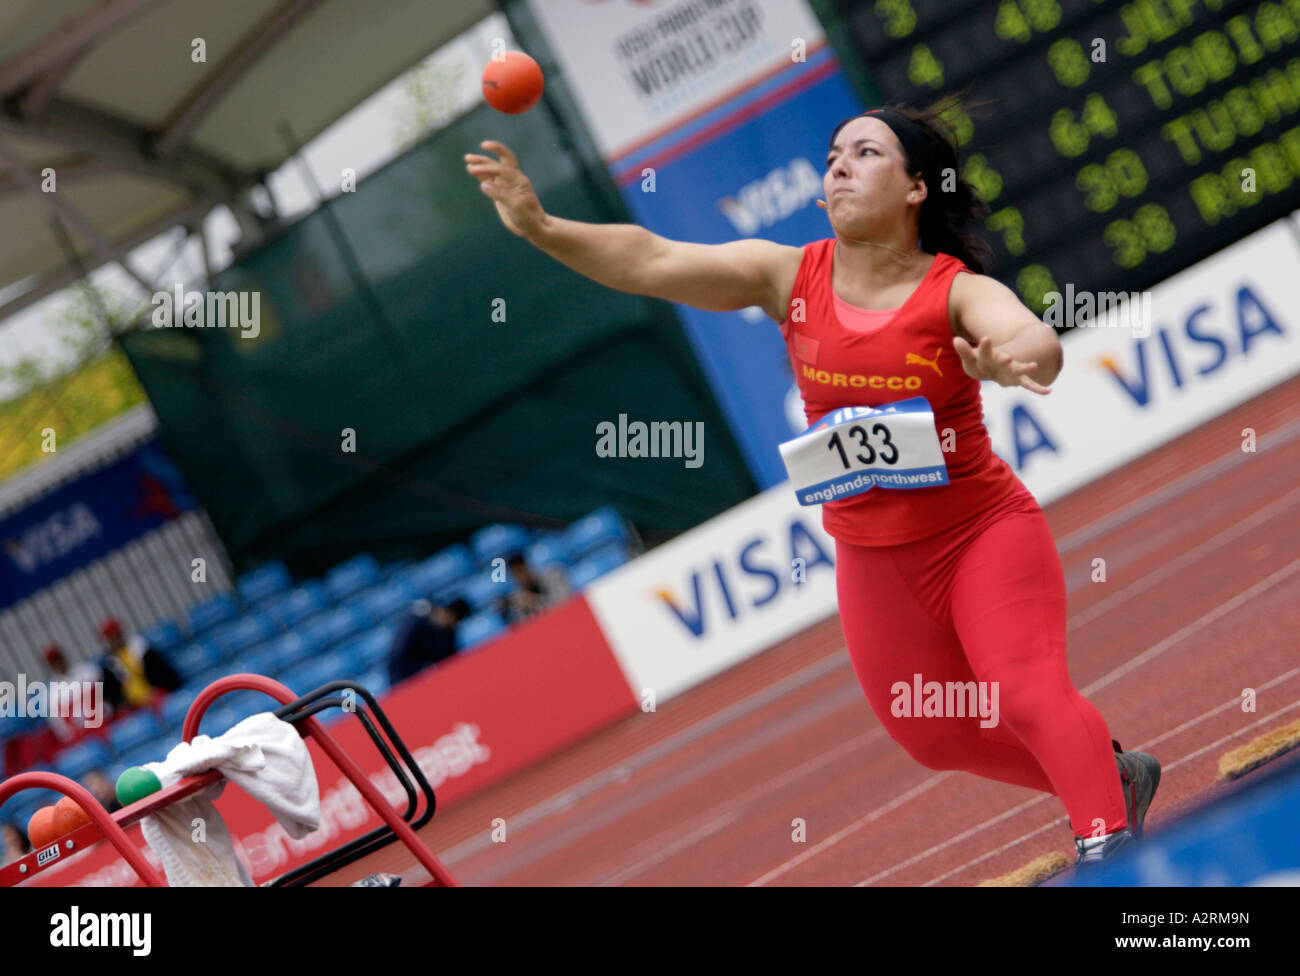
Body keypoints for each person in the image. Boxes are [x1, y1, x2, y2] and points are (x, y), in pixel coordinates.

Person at [463, 100, 1161, 867]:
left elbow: (1031, 334)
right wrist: (543, 228)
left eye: (865, 153)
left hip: (980, 535)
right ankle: (1112, 775)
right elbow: (652, 259)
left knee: (1024, 693)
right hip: (874, 560)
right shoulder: (787, 276)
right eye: (833, 154)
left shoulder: (952, 290)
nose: (839, 165)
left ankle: (1106, 843)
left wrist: (1016, 357)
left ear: (916, 188)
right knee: (929, 732)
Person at [98, 616, 182, 713]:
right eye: (108, 639)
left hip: (156, 695)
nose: (112, 641)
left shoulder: (143, 650)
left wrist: (154, 692)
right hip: (133, 708)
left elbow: (165, 675)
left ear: (120, 634)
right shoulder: (109, 666)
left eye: (113, 636)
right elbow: (112, 696)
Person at [387, 597, 473, 685]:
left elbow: (450, 662)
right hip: (404, 678)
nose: (453, 625)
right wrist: (424, 669)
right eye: (454, 619)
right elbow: (398, 656)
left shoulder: (449, 633)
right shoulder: (415, 623)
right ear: (448, 612)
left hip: (431, 681)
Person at [500, 551, 569, 625]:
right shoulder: (519, 598)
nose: (519, 577)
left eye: (520, 571)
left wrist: (534, 601)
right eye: (515, 574)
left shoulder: (554, 576)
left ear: (527, 566)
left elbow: (564, 606)